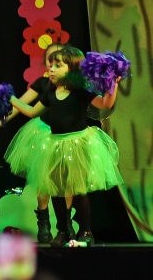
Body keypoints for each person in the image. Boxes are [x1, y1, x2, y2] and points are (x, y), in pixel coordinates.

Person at [10, 46, 123, 247]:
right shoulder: (51, 92)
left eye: (57, 65)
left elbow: (105, 104)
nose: (51, 69)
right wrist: (10, 99)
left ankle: (86, 231)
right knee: (56, 190)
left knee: (78, 190)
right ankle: (62, 230)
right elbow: (31, 112)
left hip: (77, 144)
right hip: (55, 145)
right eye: (51, 65)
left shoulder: (81, 92)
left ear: (72, 68)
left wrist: (113, 84)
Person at [1, 43, 77, 243]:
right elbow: (22, 104)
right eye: (51, 59)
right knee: (44, 179)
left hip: (67, 137)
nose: (54, 63)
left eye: (59, 60)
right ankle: (44, 224)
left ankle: (66, 223)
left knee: (67, 180)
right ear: (46, 62)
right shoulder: (44, 84)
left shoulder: (73, 87)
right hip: (44, 134)